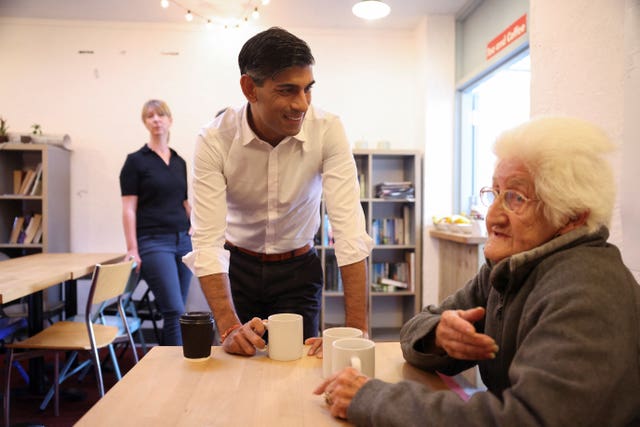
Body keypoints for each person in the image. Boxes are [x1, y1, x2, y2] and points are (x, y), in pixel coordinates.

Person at [315, 116, 640, 426]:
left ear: (572, 216)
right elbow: (414, 328)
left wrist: (374, 399)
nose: (492, 216)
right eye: (495, 193)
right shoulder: (510, 270)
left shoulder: (586, 292)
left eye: (515, 197)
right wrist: (438, 337)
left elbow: (529, 421)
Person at [183, 27, 373, 357]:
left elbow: (349, 233)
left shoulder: (328, 129)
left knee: (298, 370)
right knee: (239, 366)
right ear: (249, 89)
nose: (301, 104)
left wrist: (356, 330)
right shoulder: (214, 139)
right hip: (237, 270)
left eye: (307, 89)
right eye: (287, 91)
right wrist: (228, 326)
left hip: (298, 271)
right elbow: (207, 241)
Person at [120, 99, 193, 346]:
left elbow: (184, 202)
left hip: (183, 241)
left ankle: (176, 366)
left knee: (180, 310)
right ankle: (173, 372)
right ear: (145, 122)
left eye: (161, 115)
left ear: (170, 120)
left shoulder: (179, 162)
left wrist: (195, 227)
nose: (156, 120)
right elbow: (129, 208)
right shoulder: (135, 161)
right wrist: (132, 249)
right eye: (150, 116)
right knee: (173, 310)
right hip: (153, 242)